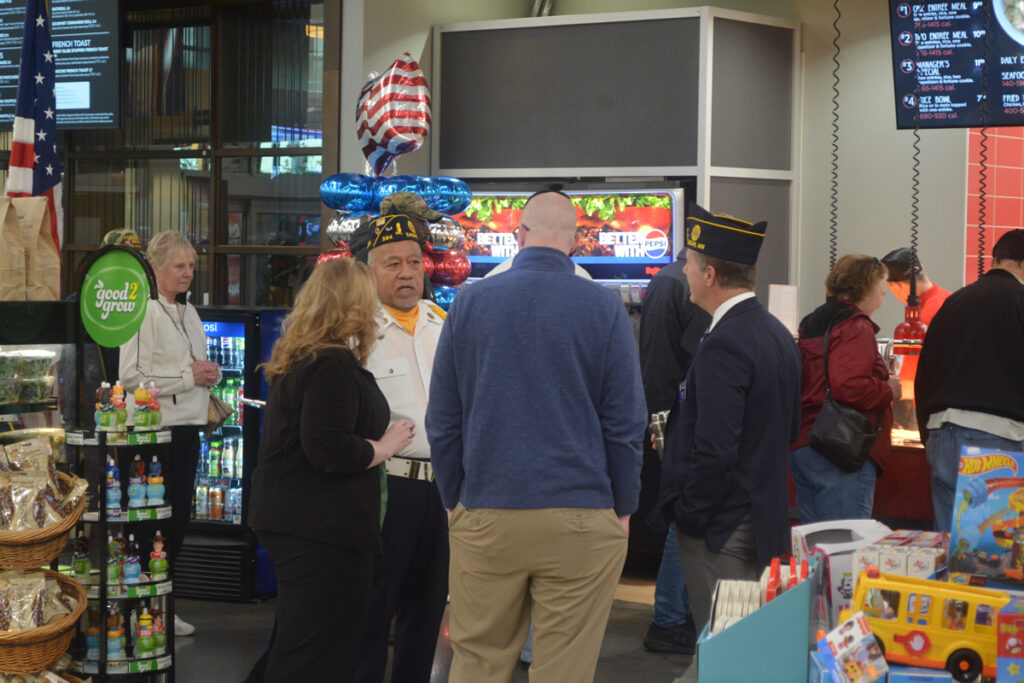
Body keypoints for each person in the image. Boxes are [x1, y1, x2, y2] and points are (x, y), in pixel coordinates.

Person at [426, 190, 646, 682]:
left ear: (518, 236)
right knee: (564, 670)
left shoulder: (470, 302)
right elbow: (625, 423)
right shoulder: (604, 308)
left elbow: (443, 417)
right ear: (574, 244)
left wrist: (454, 497)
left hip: (485, 510)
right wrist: (624, 505)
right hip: (582, 514)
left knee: (478, 663)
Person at [247, 257, 414, 681]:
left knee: (298, 643)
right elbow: (326, 447)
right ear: (354, 303)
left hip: (302, 523)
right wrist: (383, 446)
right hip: (322, 529)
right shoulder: (332, 363)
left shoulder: (305, 356)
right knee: (317, 651)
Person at [654, 202, 801, 636]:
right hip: (761, 518)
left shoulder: (724, 342)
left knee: (725, 651)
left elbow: (715, 448)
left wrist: (691, 517)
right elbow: (788, 429)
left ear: (711, 275)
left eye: (690, 264)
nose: (684, 272)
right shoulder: (775, 333)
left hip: (722, 530)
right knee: (744, 648)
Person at [354, 214, 450, 683]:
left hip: (443, 490)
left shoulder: (441, 324)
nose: (408, 273)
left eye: (414, 262)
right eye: (392, 263)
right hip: (387, 487)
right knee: (374, 610)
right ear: (369, 271)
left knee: (427, 611)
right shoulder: (357, 334)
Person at [119, 230, 220, 638]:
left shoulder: (190, 311)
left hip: (187, 430)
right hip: (152, 433)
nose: (187, 273)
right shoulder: (141, 312)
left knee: (176, 526)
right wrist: (186, 377)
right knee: (147, 528)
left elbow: (193, 366)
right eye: (179, 266)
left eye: (192, 266)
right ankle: (139, 610)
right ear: (156, 268)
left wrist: (208, 373)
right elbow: (130, 377)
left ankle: (161, 605)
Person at [915, 229, 1024, 534]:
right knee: (985, 553)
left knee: (949, 543)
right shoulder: (1019, 301)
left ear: (996, 259)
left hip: (942, 436)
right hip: (997, 442)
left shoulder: (954, 302)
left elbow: (925, 372)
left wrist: (929, 435)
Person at [789, 255, 900, 524]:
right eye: (882, 287)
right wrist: (888, 389)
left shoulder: (812, 321)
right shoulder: (856, 326)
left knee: (816, 548)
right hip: (841, 447)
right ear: (868, 287)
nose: (885, 292)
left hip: (805, 441)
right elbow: (849, 386)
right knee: (845, 549)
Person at [637, 249, 710, 654]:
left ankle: (672, 614)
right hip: (678, 418)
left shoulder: (666, 280)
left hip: (664, 414)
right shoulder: (685, 285)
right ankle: (668, 616)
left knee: (678, 517)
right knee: (682, 519)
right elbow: (688, 362)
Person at [879, 247, 952, 423]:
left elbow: (908, 382)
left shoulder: (921, 320)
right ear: (923, 268)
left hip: (931, 410)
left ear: (894, 285)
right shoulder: (950, 299)